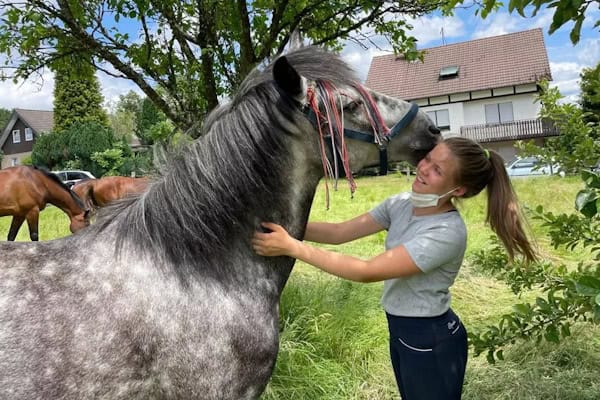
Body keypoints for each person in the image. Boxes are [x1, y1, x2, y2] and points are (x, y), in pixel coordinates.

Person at [252, 137, 538, 400]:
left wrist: (293, 247)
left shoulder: (445, 232)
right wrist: (286, 227)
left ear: (458, 190)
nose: (423, 169)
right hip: (402, 329)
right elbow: (339, 232)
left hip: (429, 338)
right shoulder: (402, 204)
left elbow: (367, 270)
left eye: (437, 170)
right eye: (427, 159)